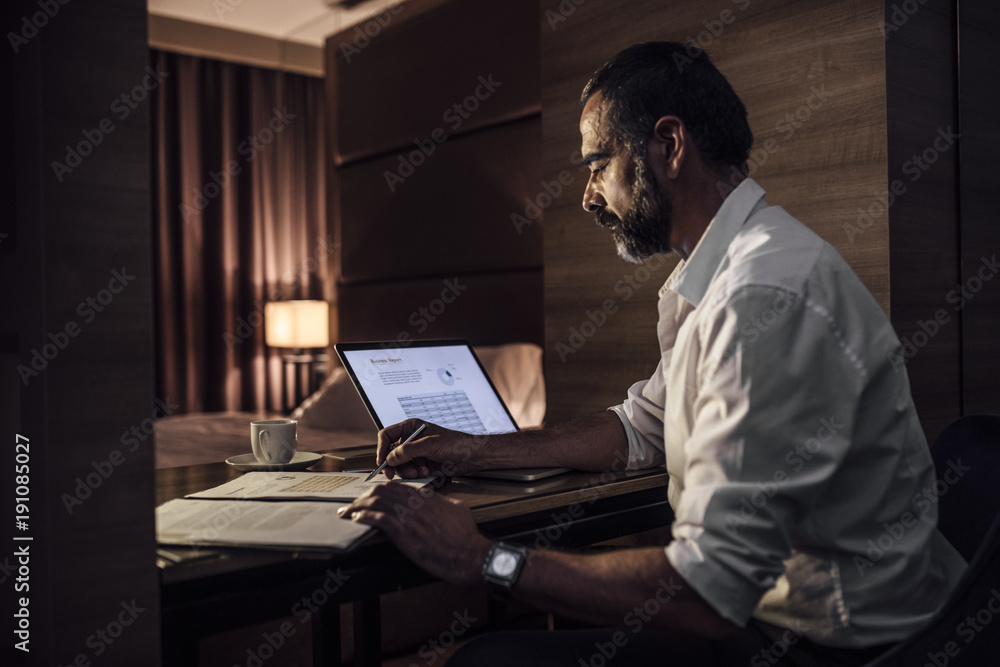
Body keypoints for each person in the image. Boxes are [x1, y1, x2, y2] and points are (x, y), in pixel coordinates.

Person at [339, 42, 966, 665]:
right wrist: (474, 446)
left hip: (835, 647)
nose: (588, 196)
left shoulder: (759, 297)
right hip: (772, 619)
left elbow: (707, 592)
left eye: (596, 165)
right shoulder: (727, 273)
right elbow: (640, 426)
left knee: (486, 660)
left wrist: (478, 558)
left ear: (668, 147)